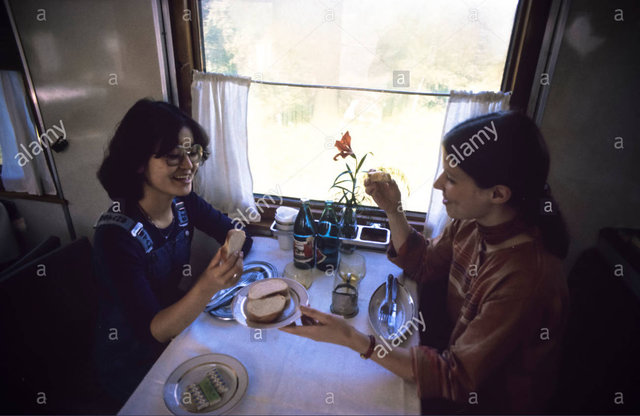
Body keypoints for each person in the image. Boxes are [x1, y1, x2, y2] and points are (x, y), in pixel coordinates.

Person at [281, 111, 570, 413]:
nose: (437, 183)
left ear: (497, 194)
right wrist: (393, 210)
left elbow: (456, 377)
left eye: (452, 178)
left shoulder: (525, 277)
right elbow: (425, 264)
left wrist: (352, 339)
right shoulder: (473, 224)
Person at [92, 99, 252, 403]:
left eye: (192, 153)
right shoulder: (115, 237)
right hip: (131, 359)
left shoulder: (182, 202)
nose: (189, 166)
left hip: (175, 330)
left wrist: (235, 239)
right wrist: (208, 284)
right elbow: (152, 331)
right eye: (173, 157)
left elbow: (238, 232)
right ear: (139, 162)